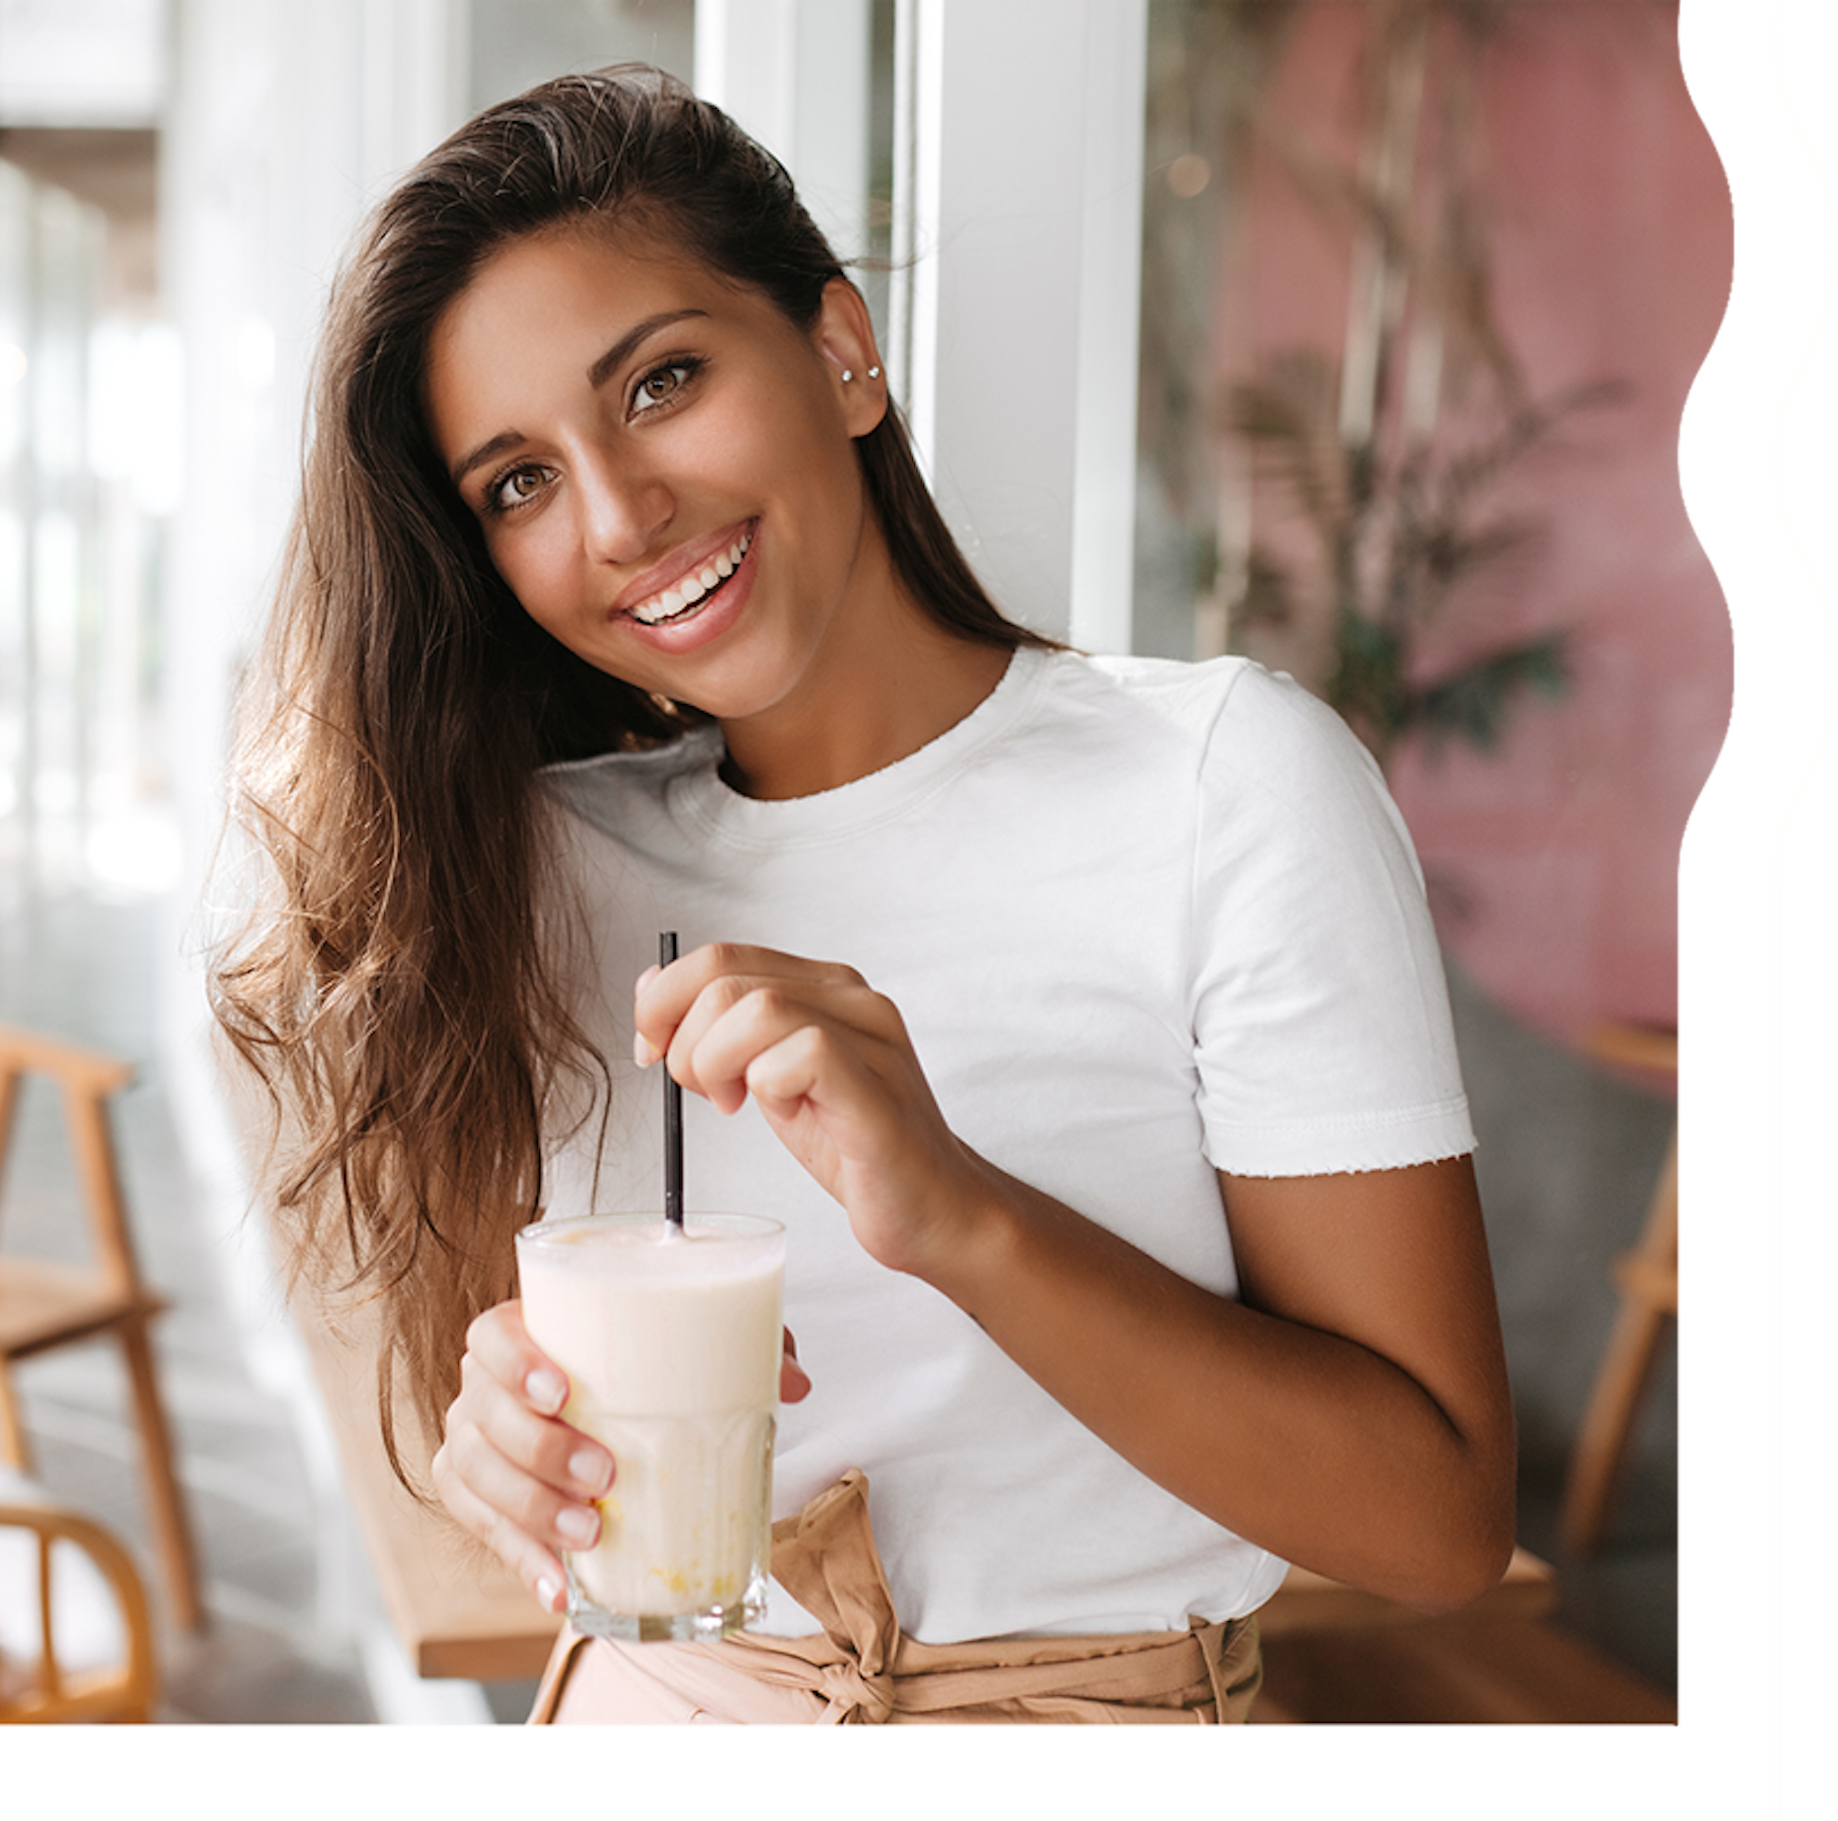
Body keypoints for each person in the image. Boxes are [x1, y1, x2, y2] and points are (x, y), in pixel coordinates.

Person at [211, 64, 1515, 1726]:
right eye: (517, 483)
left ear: (840, 351)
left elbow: (1439, 1524)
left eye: (662, 382)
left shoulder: (1224, 788)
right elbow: (535, 1430)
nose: (619, 518)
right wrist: (501, 1430)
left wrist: (958, 1215)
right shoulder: (531, 865)